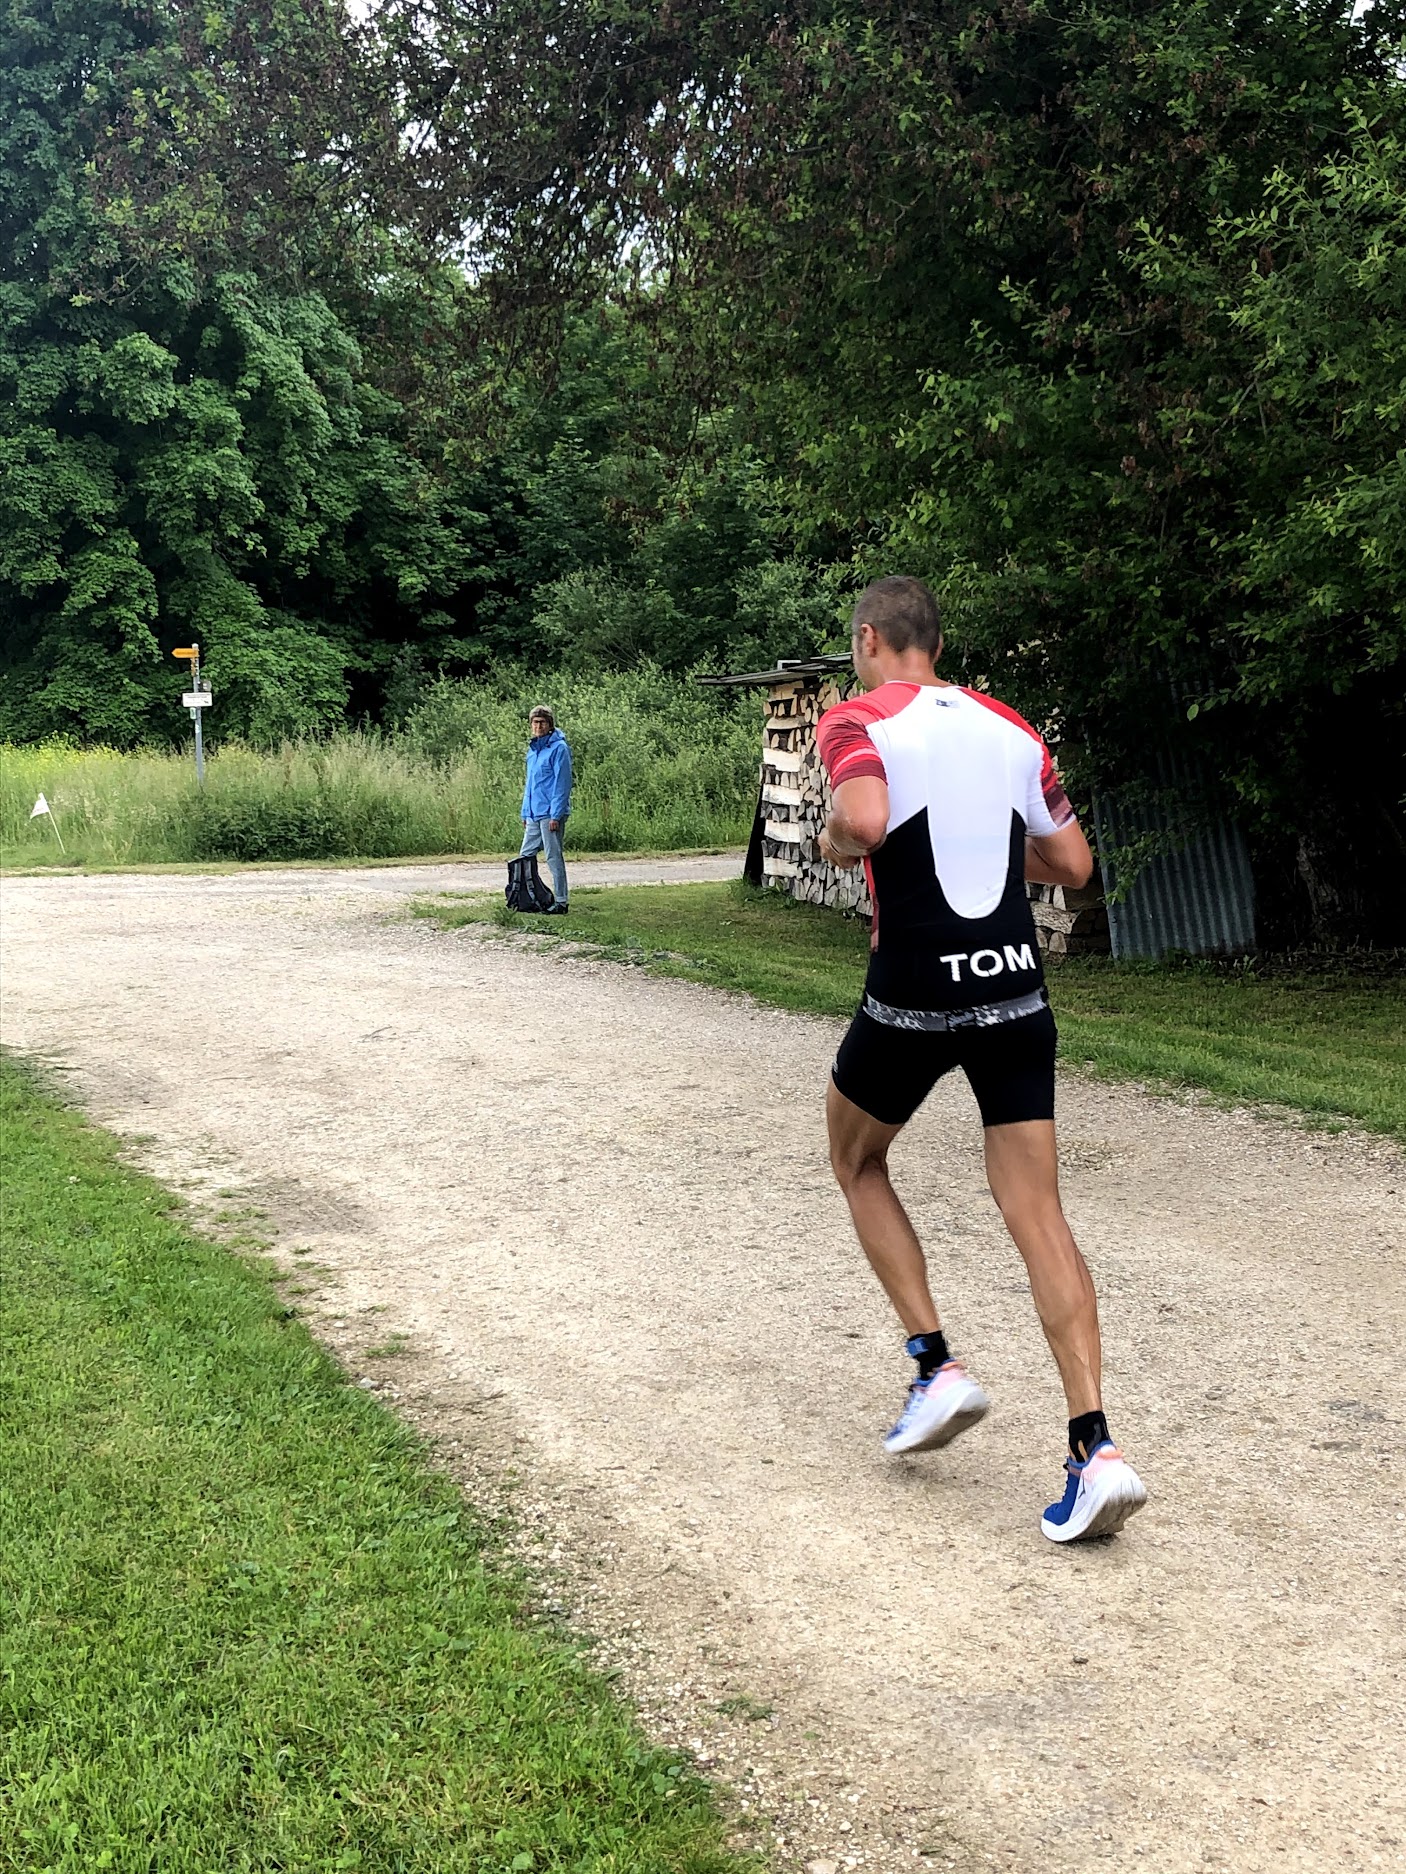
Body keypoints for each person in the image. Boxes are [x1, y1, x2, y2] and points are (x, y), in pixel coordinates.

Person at [817, 575, 1147, 1543]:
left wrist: (840, 838)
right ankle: (1094, 1446)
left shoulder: (853, 719)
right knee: (1036, 1208)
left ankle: (935, 1366)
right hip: (1014, 990)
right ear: (936, 640)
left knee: (854, 1159)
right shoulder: (1012, 726)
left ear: (871, 637)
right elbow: (1073, 864)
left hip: (916, 993)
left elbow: (867, 822)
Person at [521, 705, 572, 914]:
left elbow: (562, 783)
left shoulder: (559, 748)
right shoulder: (533, 751)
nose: (538, 726)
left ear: (550, 725)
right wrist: (525, 811)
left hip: (550, 813)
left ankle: (561, 901)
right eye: (535, 722)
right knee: (525, 856)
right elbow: (530, 784)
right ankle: (531, 896)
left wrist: (556, 814)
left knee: (553, 856)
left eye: (542, 722)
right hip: (534, 812)